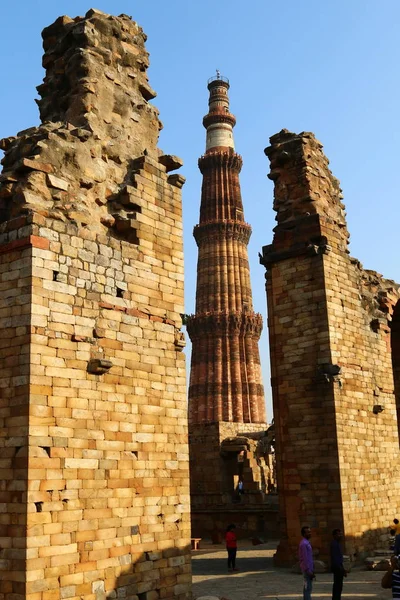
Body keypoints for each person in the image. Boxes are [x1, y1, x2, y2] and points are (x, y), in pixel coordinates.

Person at [330, 528, 347, 600]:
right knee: (337, 586)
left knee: (339, 586)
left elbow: (339, 558)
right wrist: (340, 568)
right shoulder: (334, 544)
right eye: (338, 534)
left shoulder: (338, 544)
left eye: (341, 534)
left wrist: (343, 568)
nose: (340, 535)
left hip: (339, 567)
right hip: (337, 567)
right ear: (334, 535)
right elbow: (335, 557)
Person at [299, 525, 315, 600]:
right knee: (307, 588)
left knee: (308, 587)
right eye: (308, 532)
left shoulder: (307, 543)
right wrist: (308, 570)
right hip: (307, 570)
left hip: (309, 568)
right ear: (304, 534)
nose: (310, 533)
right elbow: (305, 558)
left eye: (310, 532)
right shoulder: (303, 544)